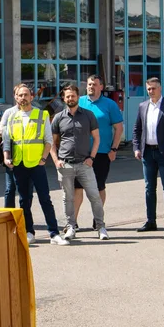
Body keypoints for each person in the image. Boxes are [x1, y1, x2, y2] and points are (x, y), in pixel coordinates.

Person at [1, 83, 68, 245]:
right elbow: (7, 141)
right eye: (20, 95)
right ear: (16, 97)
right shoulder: (12, 117)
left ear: (32, 97)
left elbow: (48, 140)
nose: (23, 98)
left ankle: (54, 233)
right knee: (24, 200)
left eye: (26, 95)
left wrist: (43, 159)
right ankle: (29, 231)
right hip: (19, 164)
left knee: (45, 198)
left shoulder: (41, 115)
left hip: (37, 164)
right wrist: (6, 157)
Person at [51, 83, 107, 240]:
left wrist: (92, 158)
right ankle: (71, 227)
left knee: (94, 196)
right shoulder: (58, 118)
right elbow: (51, 143)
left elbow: (96, 138)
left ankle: (101, 227)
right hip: (65, 164)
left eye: (73, 96)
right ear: (64, 98)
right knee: (68, 198)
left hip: (84, 164)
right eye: (67, 96)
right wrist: (56, 161)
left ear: (78, 97)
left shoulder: (88, 115)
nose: (70, 98)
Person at [133, 77, 164, 233]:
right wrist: (136, 148)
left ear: (160, 88)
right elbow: (137, 129)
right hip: (147, 153)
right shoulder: (142, 106)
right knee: (149, 188)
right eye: (148, 89)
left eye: (153, 88)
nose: (151, 91)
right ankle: (151, 221)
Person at [76, 75, 124, 227]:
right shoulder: (79, 102)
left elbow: (118, 128)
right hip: (80, 153)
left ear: (101, 87)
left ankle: (97, 220)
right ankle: (72, 222)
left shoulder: (110, 104)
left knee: (98, 187)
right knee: (77, 188)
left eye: (95, 84)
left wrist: (114, 148)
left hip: (102, 152)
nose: (91, 87)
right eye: (89, 84)